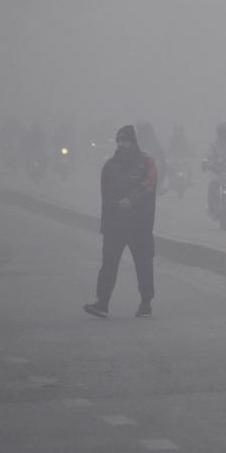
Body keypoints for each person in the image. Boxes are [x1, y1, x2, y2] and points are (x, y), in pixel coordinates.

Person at [85, 125, 158, 318]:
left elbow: (149, 186)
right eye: (119, 141)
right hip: (115, 225)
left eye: (125, 140)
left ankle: (146, 303)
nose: (122, 144)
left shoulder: (147, 163)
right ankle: (102, 303)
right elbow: (105, 196)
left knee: (144, 266)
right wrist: (106, 223)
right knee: (108, 265)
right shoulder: (110, 166)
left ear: (133, 142)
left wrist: (131, 201)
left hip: (139, 225)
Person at [135, 120, 167, 194]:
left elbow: (157, 146)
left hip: (150, 158)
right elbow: (133, 146)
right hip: (139, 159)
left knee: (163, 166)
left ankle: (159, 186)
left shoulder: (151, 137)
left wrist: (160, 152)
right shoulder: (137, 136)